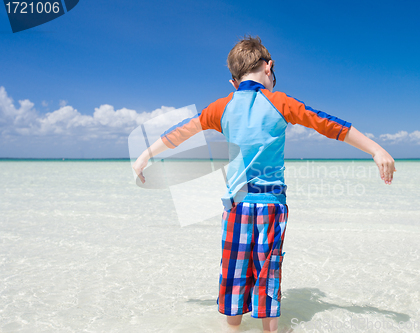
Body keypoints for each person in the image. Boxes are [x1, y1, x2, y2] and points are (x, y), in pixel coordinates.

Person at [132, 36, 395, 333]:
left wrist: (145, 155)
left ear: (234, 82)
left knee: (233, 275)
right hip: (270, 207)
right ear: (269, 68)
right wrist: (376, 149)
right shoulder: (280, 101)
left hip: (235, 208)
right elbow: (329, 124)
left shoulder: (222, 106)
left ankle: (232, 329)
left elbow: (182, 132)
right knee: (268, 278)